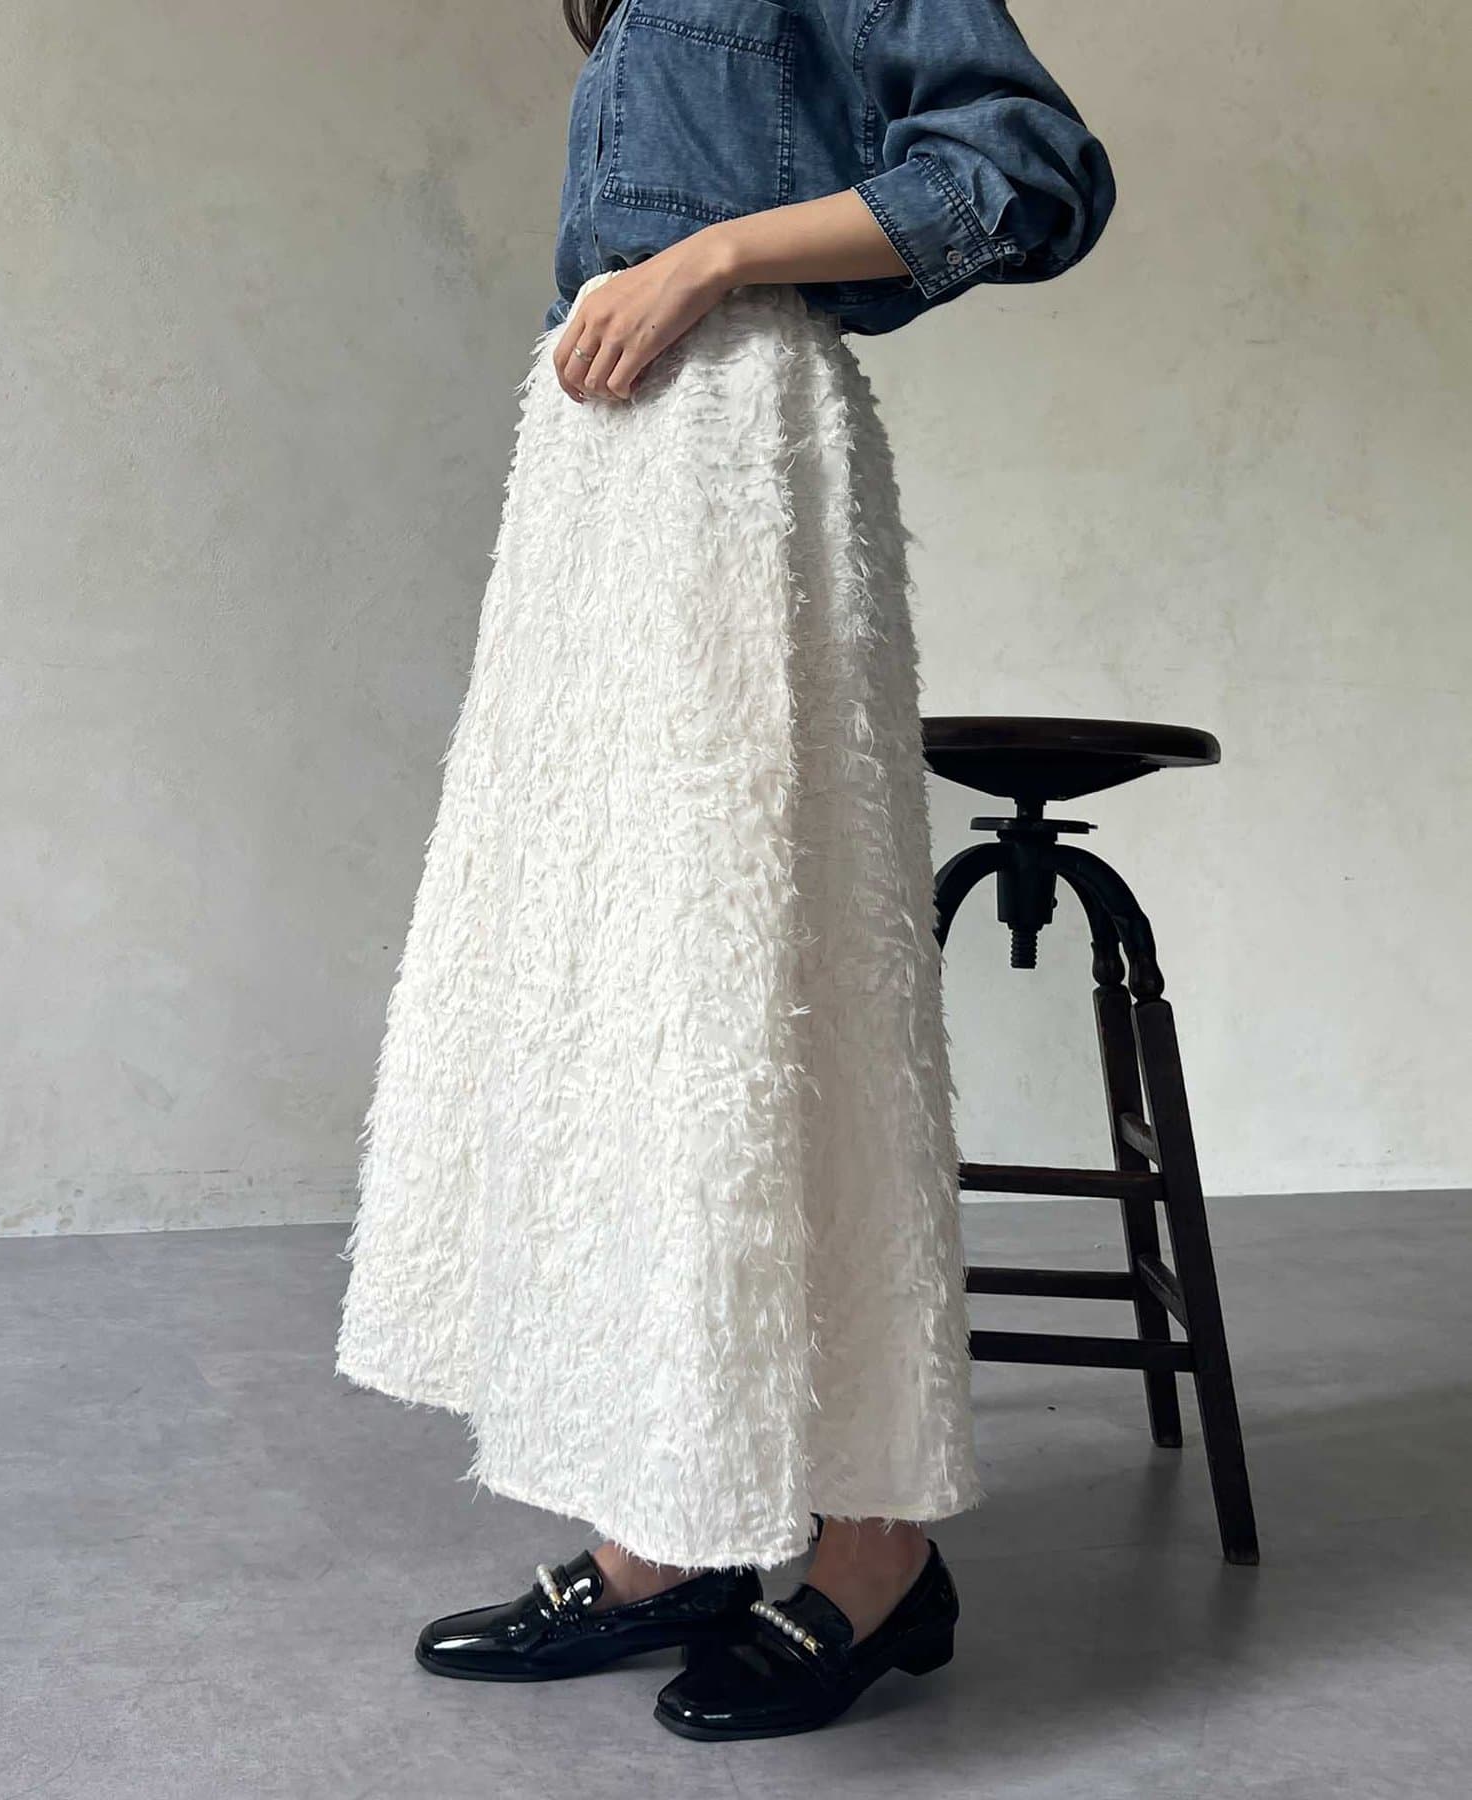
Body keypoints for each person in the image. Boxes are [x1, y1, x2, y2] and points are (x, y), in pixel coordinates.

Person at [336, 0, 1114, 1742]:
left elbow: (1026, 169)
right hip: (606, 497)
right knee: (623, 1010)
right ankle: (668, 1526)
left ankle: (876, 1549)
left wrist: (712, 258)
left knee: (760, 992)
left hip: (743, 472)